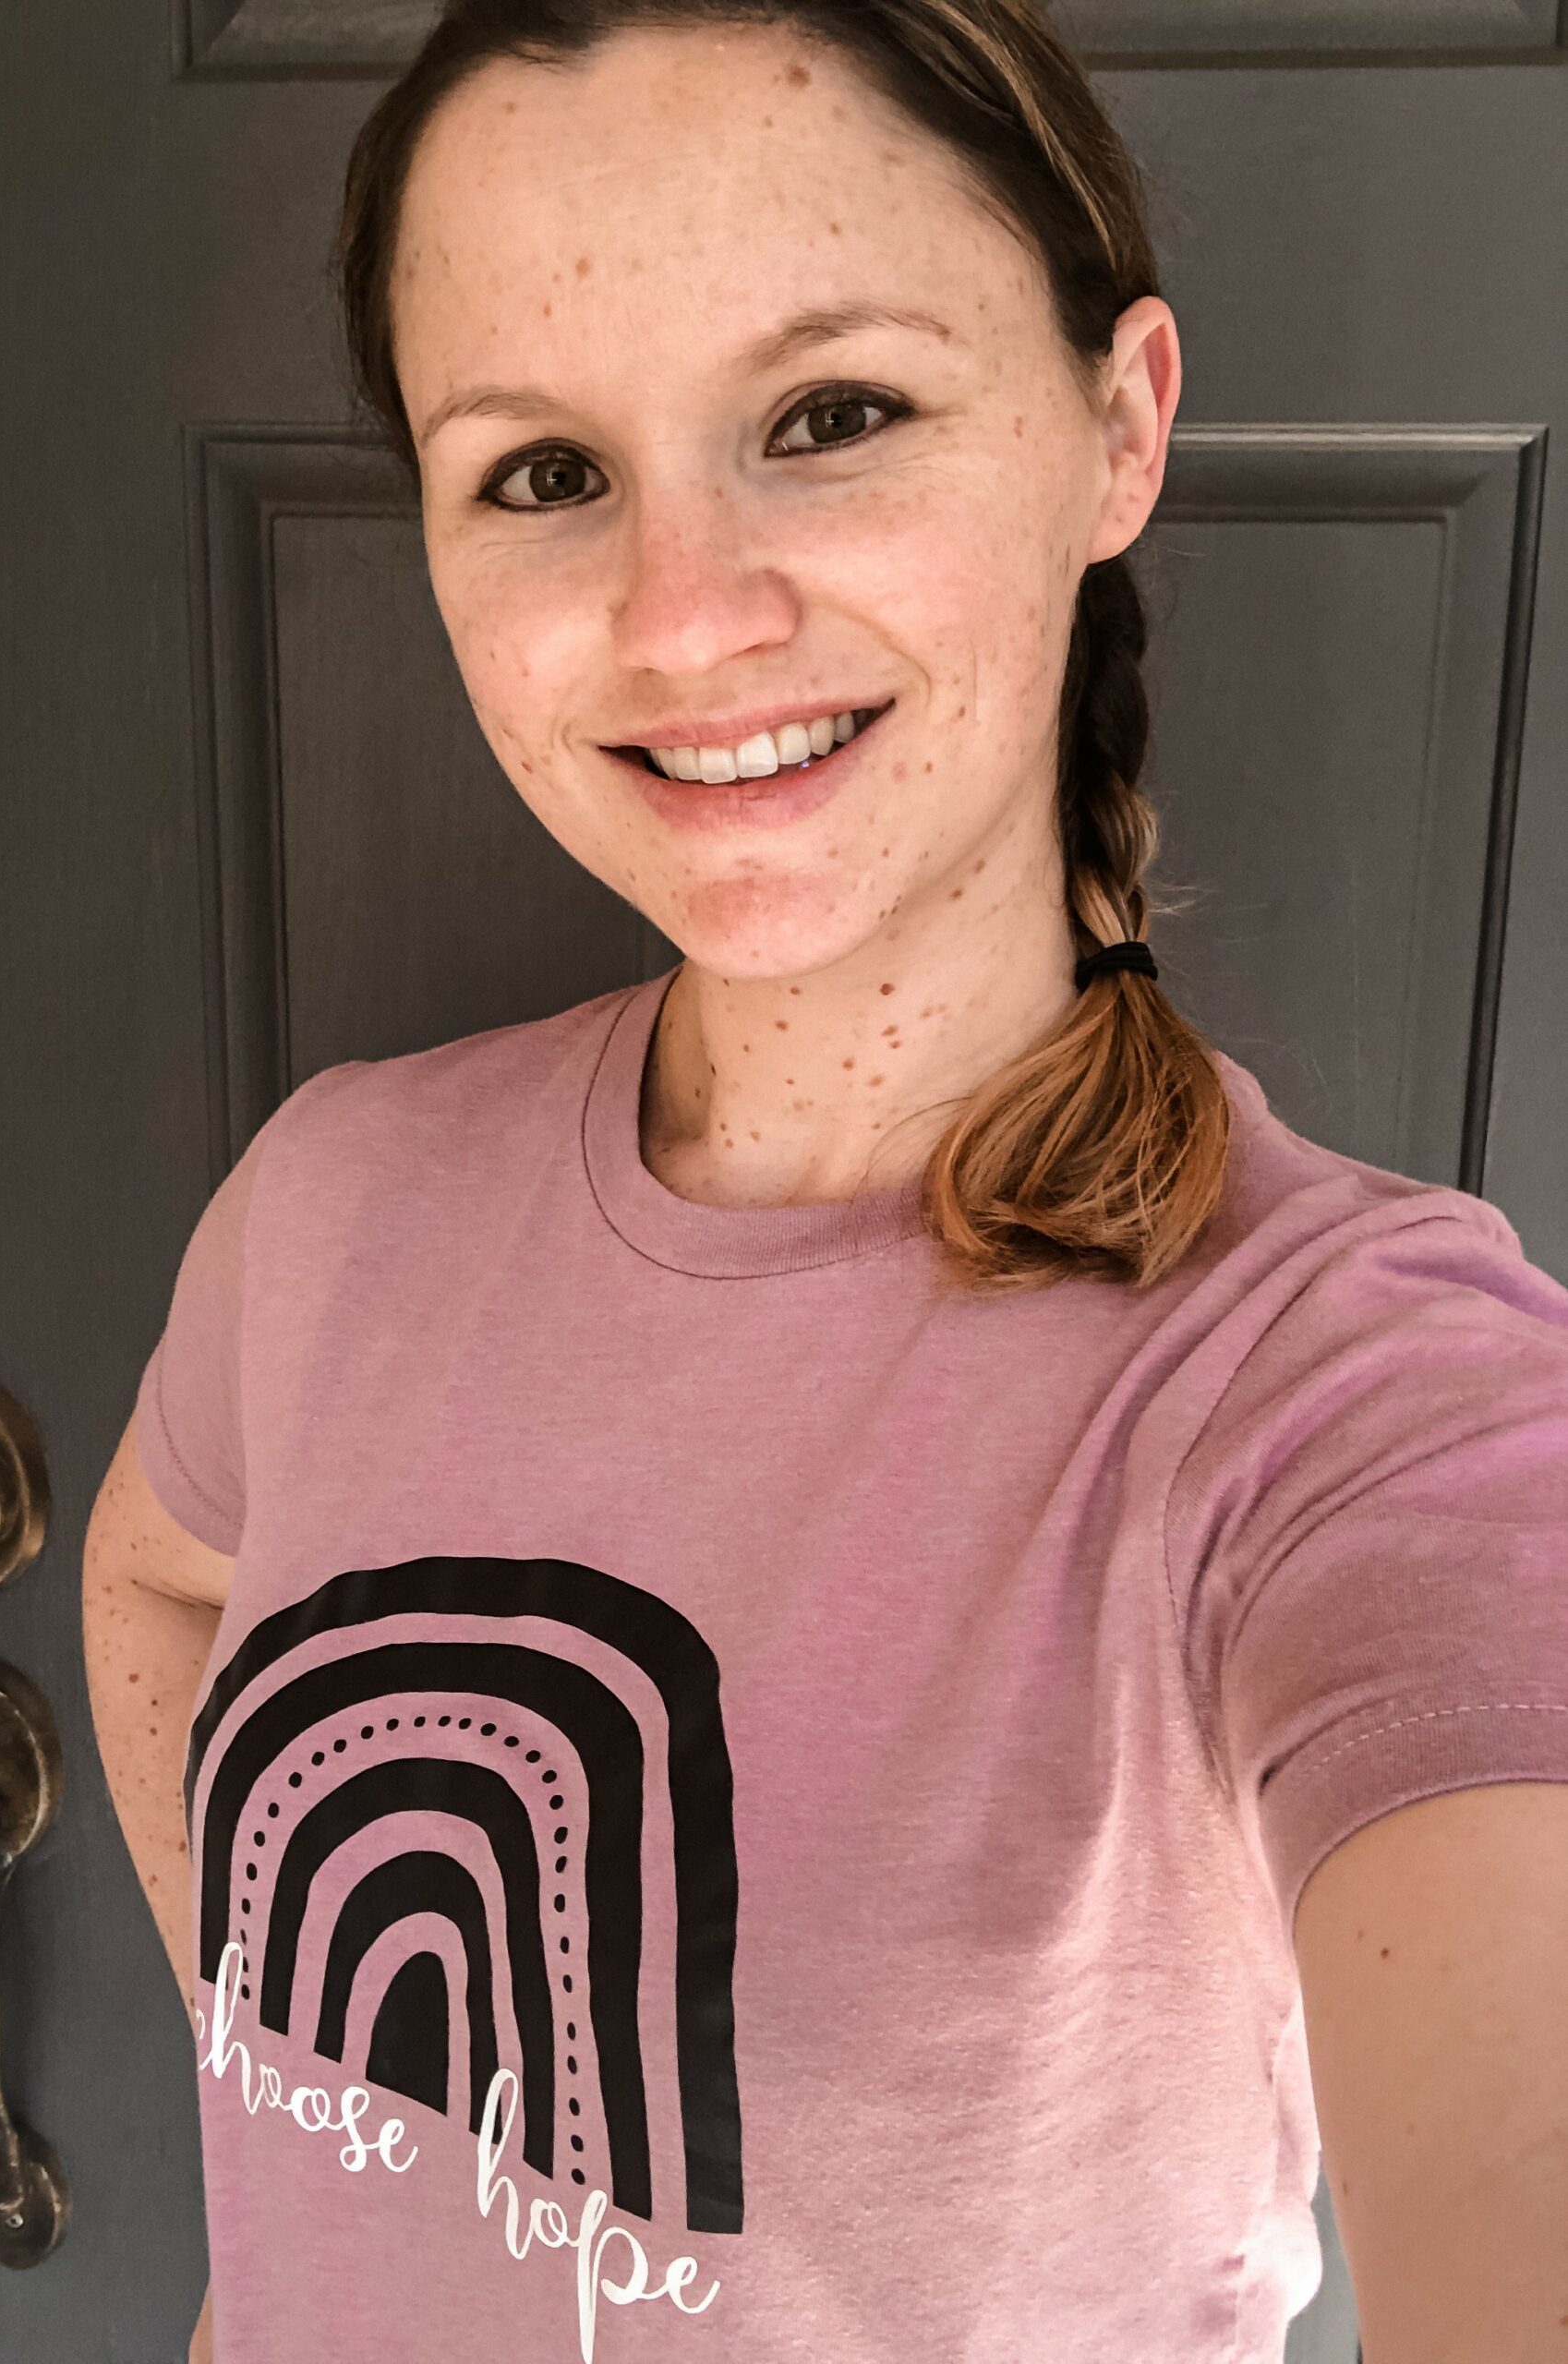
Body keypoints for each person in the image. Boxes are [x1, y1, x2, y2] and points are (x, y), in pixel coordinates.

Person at [83, 2, 1568, 2358]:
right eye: (540, 470)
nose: (684, 615)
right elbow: (156, 1576)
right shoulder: (334, 1196)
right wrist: (344, 2142)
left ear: (1117, 425)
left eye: (830, 415)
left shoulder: (1338, 1391)